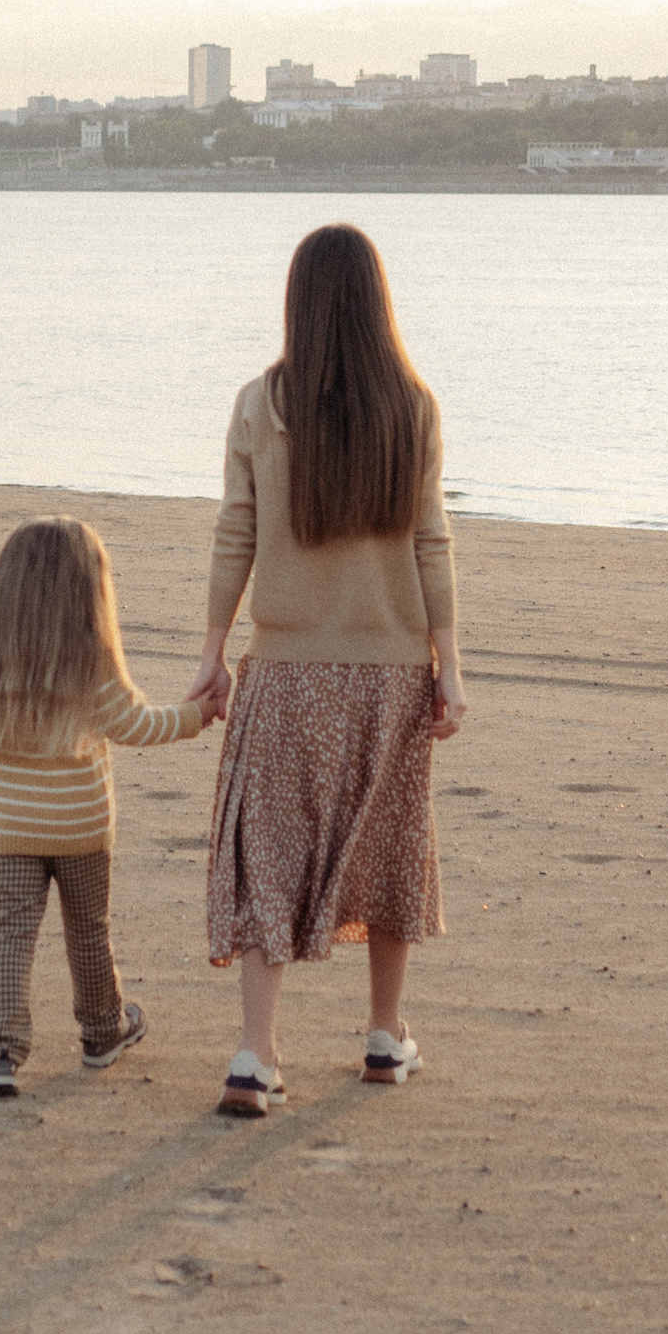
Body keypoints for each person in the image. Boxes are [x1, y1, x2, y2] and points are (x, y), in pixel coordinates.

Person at [187, 223, 463, 1116]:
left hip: (288, 669)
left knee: (268, 848)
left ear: (297, 301)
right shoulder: (411, 406)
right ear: (377, 301)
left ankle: (255, 1055)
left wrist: (212, 653)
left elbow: (235, 535)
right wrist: (448, 670)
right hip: (388, 673)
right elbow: (432, 543)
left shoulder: (260, 404)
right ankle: (385, 1036)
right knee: (387, 850)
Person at [0, 517, 207, 1095]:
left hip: (11, 830)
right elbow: (139, 724)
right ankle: (102, 1033)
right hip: (82, 829)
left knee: (12, 935)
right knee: (89, 932)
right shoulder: (91, 668)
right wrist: (199, 713)